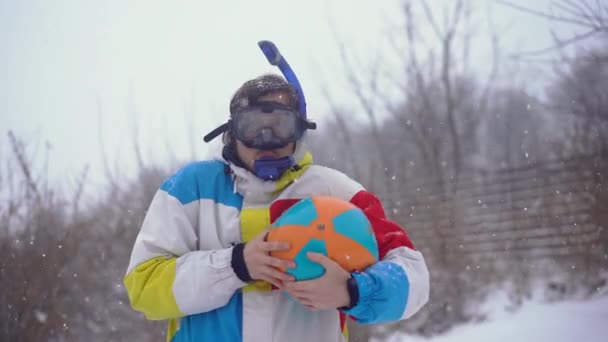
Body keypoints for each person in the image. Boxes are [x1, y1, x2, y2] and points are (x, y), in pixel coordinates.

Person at [124, 43, 429, 342]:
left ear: (299, 129)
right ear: (231, 132)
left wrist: (353, 290)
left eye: (280, 126)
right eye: (253, 126)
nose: (266, 140)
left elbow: (414, 278)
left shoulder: (340, 193)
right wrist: (236, 265)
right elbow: (143, 287)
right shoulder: (191, 188)